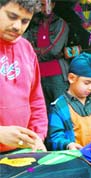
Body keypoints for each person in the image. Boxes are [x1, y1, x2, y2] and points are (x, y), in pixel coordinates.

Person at [0, 0, 47, 153]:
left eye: (25, 21)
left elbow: (36, 98)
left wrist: (38, 136)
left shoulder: (26, 48)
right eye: (12, 16)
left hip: (20, 152)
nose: (17, 26)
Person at [24, 0, 69, 109]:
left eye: (46, 5)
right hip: (37, 74)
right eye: (40, 5)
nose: (43, 8)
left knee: (60, 108)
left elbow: (54, 50)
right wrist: (36, 51)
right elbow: (24, 44)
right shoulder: (33, 24)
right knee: (42, 110)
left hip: (57, 74)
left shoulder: (60, 23)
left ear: (53, 5)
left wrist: (34, 52)